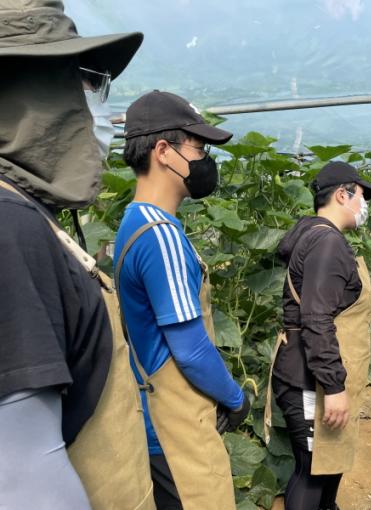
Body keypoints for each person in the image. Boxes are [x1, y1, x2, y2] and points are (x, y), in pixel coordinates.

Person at [0, 1, 154, 509]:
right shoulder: (9, 227)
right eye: (85, 79)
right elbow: (22, 480)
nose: (96, 104)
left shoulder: (25, 213)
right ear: (28, 88)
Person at [113, 90, 250, 510]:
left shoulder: (133, 221)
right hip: (173, 426)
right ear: (163, 152)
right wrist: (235, 398)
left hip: (150, 412)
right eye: (199, 149)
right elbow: (190, 350)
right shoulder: (161, 236)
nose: (206, 161)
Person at [265, 161, 371, 510]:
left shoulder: (318, 236)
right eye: (361, 196)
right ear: (342, 195)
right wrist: (333, 386)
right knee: (312, 471)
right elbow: (316, 318)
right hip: (309, 379)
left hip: (310, 371)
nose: (364, 205)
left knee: (327, 467)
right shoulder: (327, 243)